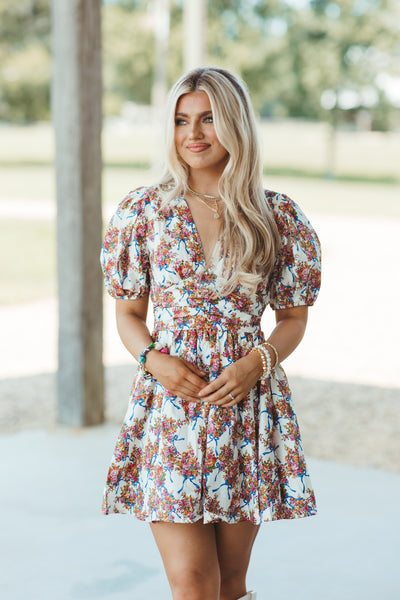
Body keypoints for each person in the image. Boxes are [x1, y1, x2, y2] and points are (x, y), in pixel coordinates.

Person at [100, 66, 321, 600]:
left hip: (246, 408)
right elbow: (128, 314)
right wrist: (153, 359)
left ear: (236, 126)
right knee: (193, 585)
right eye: (181, 120)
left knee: (230, 584)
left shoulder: (277, 216)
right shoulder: (143, 212)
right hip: (172, 409)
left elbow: (293, 320)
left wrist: (255, 363)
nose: (193, 134)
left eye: (208, 119)